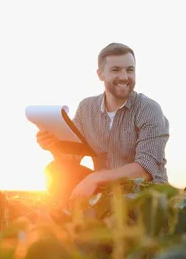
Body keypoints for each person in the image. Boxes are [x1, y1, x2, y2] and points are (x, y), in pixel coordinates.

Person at [36, 42, 169, 205]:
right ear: (100, 74)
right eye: (116, 70)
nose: (124, 77)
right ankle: (70, 220)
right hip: (105, 190)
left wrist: (96, 177)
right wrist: (54, 147)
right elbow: (71, 160)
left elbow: (145, 170)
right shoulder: (86, 108)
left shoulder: (149, 109)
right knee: (56, 170)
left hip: (145, 195)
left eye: (130, 70)